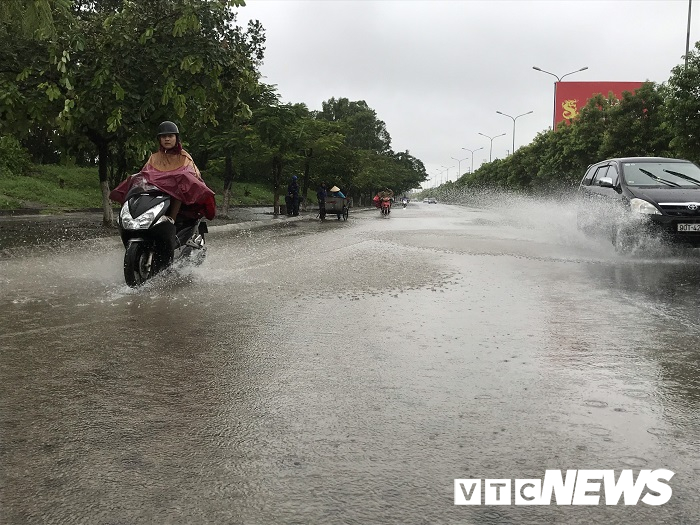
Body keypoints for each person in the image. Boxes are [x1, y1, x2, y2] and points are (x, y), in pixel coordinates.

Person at [109, 120, 215, 258]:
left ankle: (171, 219)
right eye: (163, 136)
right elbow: (145, 174)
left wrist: (178, 179)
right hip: (157, 194)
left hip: (178, 196)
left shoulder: (184, 157)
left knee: (180, 183)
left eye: (170, 136)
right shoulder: (154, 157)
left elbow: (192, 175)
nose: (167, 139)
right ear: (159, 139)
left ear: (176, 138)